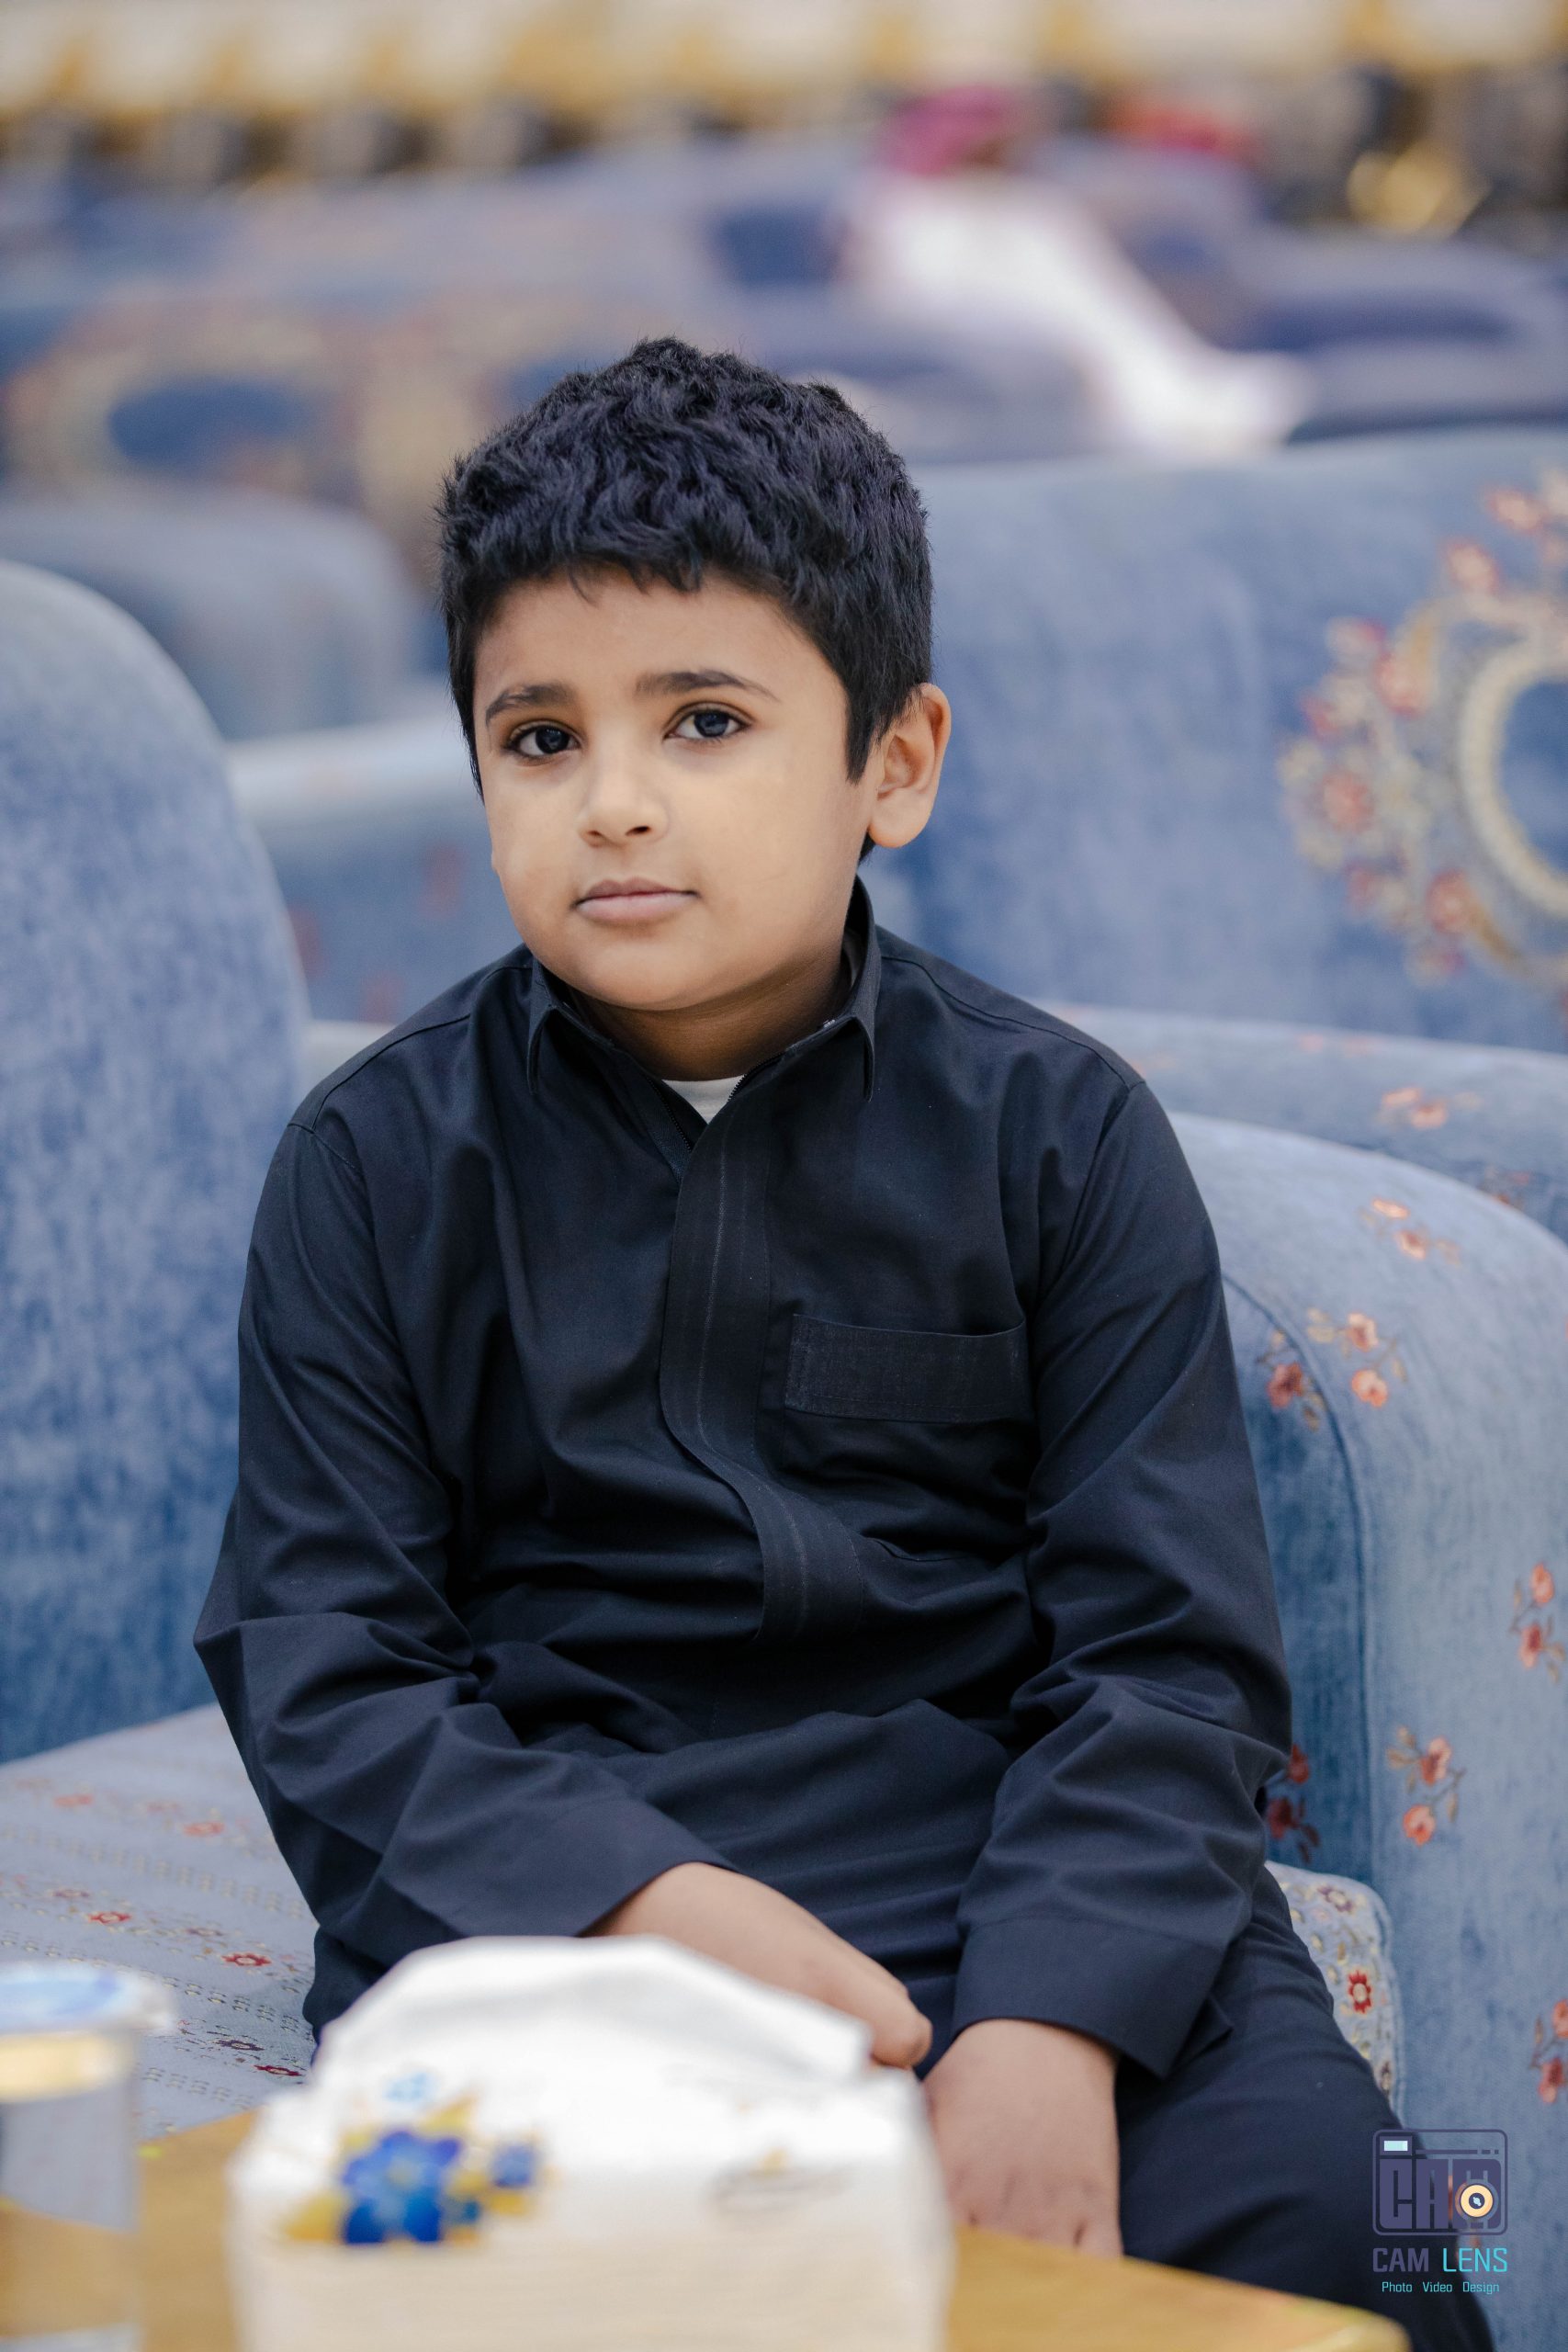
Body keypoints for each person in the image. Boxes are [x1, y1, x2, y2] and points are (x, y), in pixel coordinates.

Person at [197, 339, 1491, 2349]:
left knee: (1391, 2239)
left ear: (894, 761)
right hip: (568, 1906)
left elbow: (1167, 1655)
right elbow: (328, 1664)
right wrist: (656, 1910)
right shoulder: (371, 1164)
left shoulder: (1061, 1135)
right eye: (538, 737)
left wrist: (1049, 2024)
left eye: (704, 721)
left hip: (1026, 1879)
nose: (615, 801)